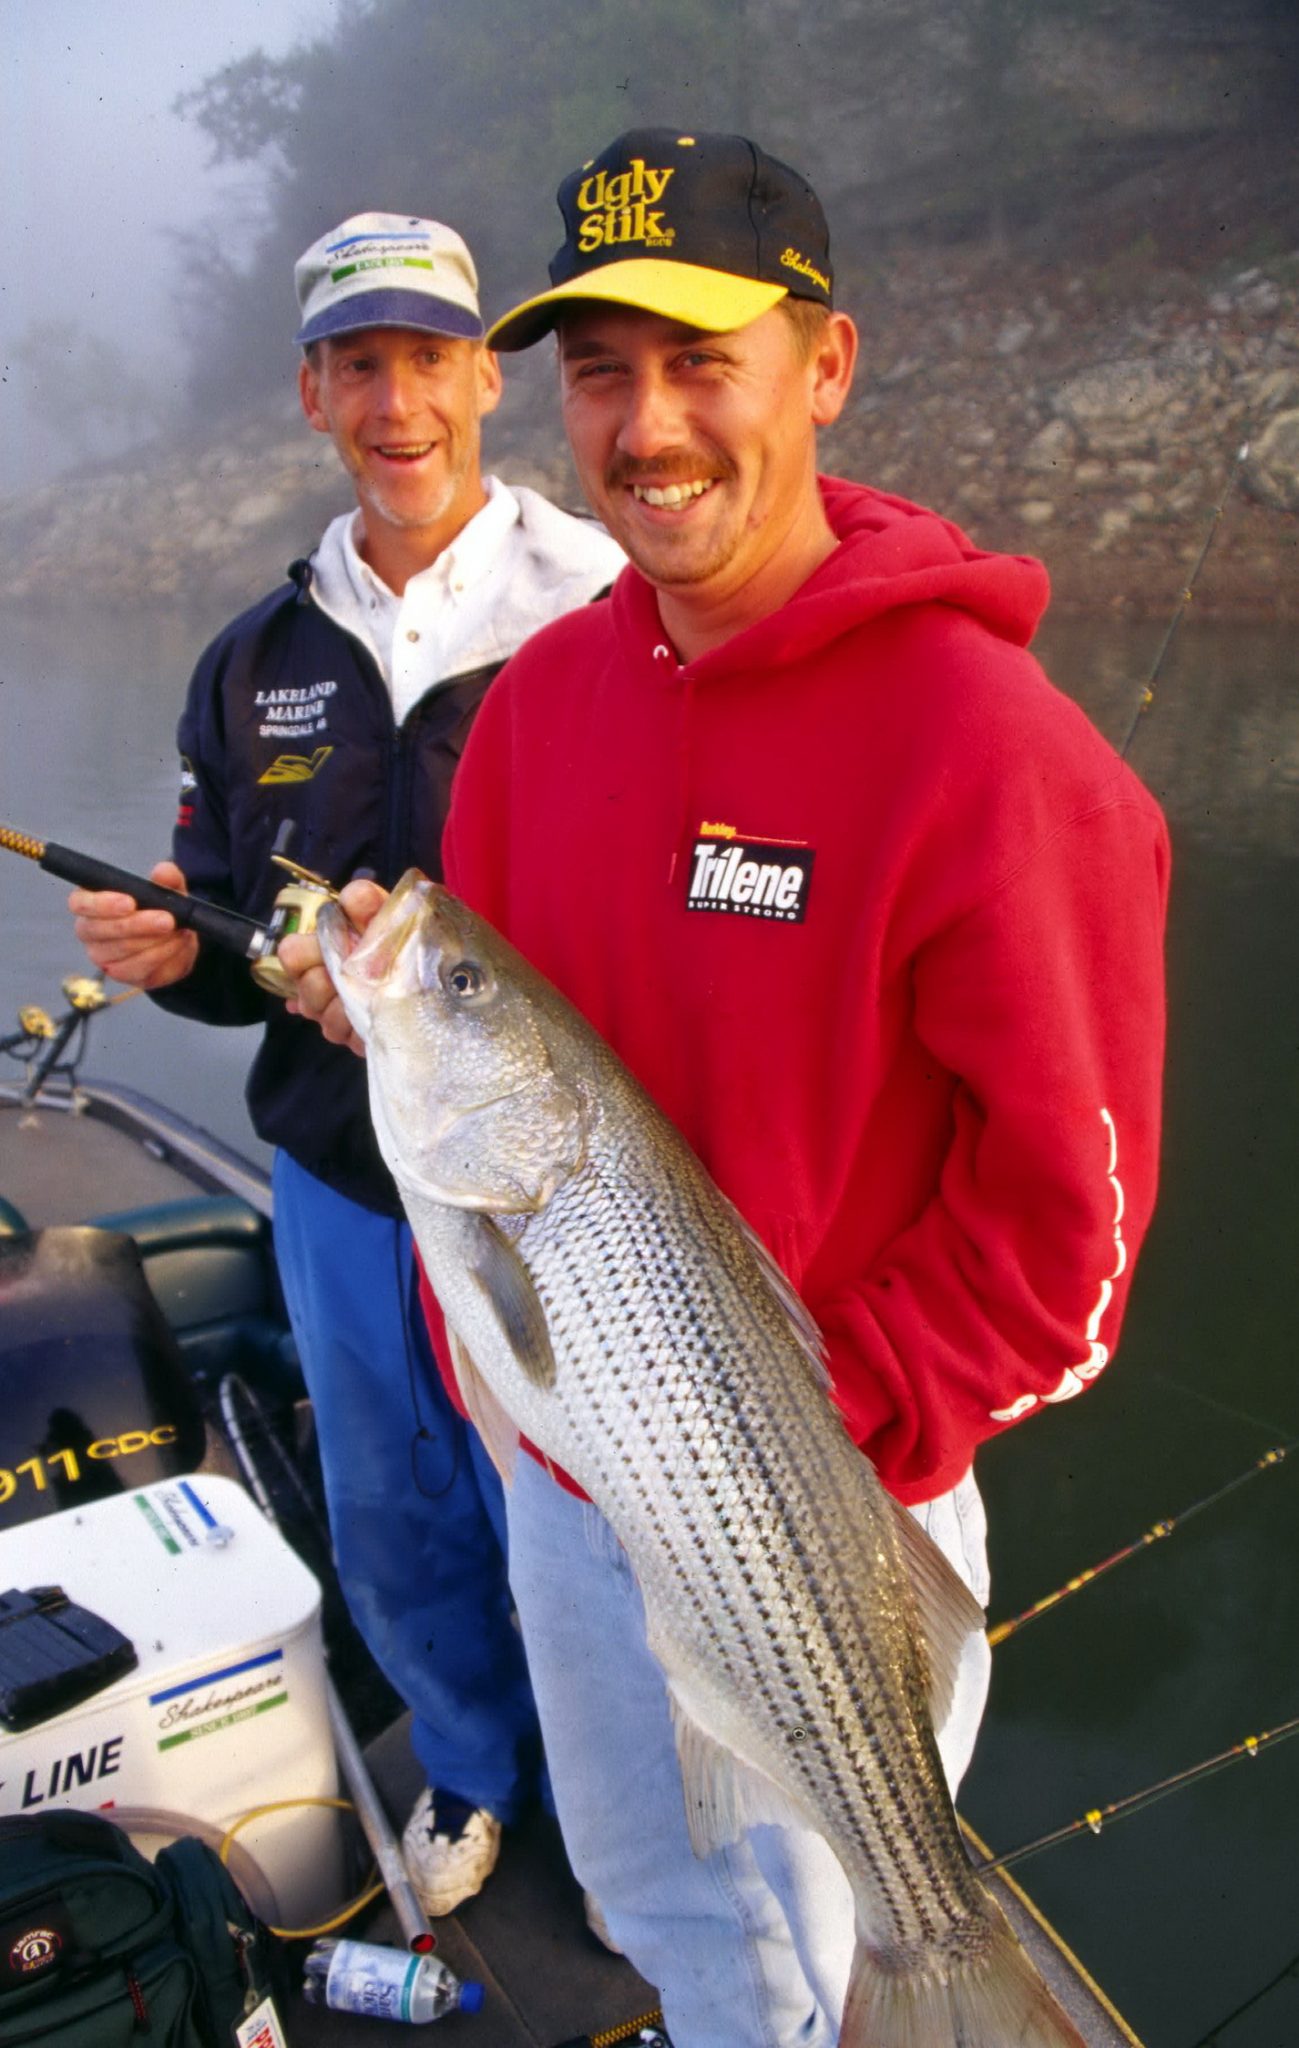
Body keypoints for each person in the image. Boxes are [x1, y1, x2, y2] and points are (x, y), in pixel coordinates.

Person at [291, 132, 1169, 2044]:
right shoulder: (536, 712)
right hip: (564, 1466)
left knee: (852, 1941)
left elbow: (1065, 1249)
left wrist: (777, 1417)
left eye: (705, 359)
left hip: (821, 1499)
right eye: (601, 369)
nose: (647, 424)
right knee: (663, 1912)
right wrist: (397, 1015)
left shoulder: (999, 757)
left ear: (826, 364)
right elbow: (521, 1051)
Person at [67, 210, 625, 1917]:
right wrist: (182, 959)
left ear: (487, 381)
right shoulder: (251, 660)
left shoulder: (602, 613)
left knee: (585, 1517)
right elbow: (239, 941)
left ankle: (619, 1823)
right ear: (314, 391)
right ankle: (467, 1766)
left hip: (558, 1188)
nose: (400, 404)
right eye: (360, 365)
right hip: (338, 1181)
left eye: (431, 362)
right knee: (390, 1502)